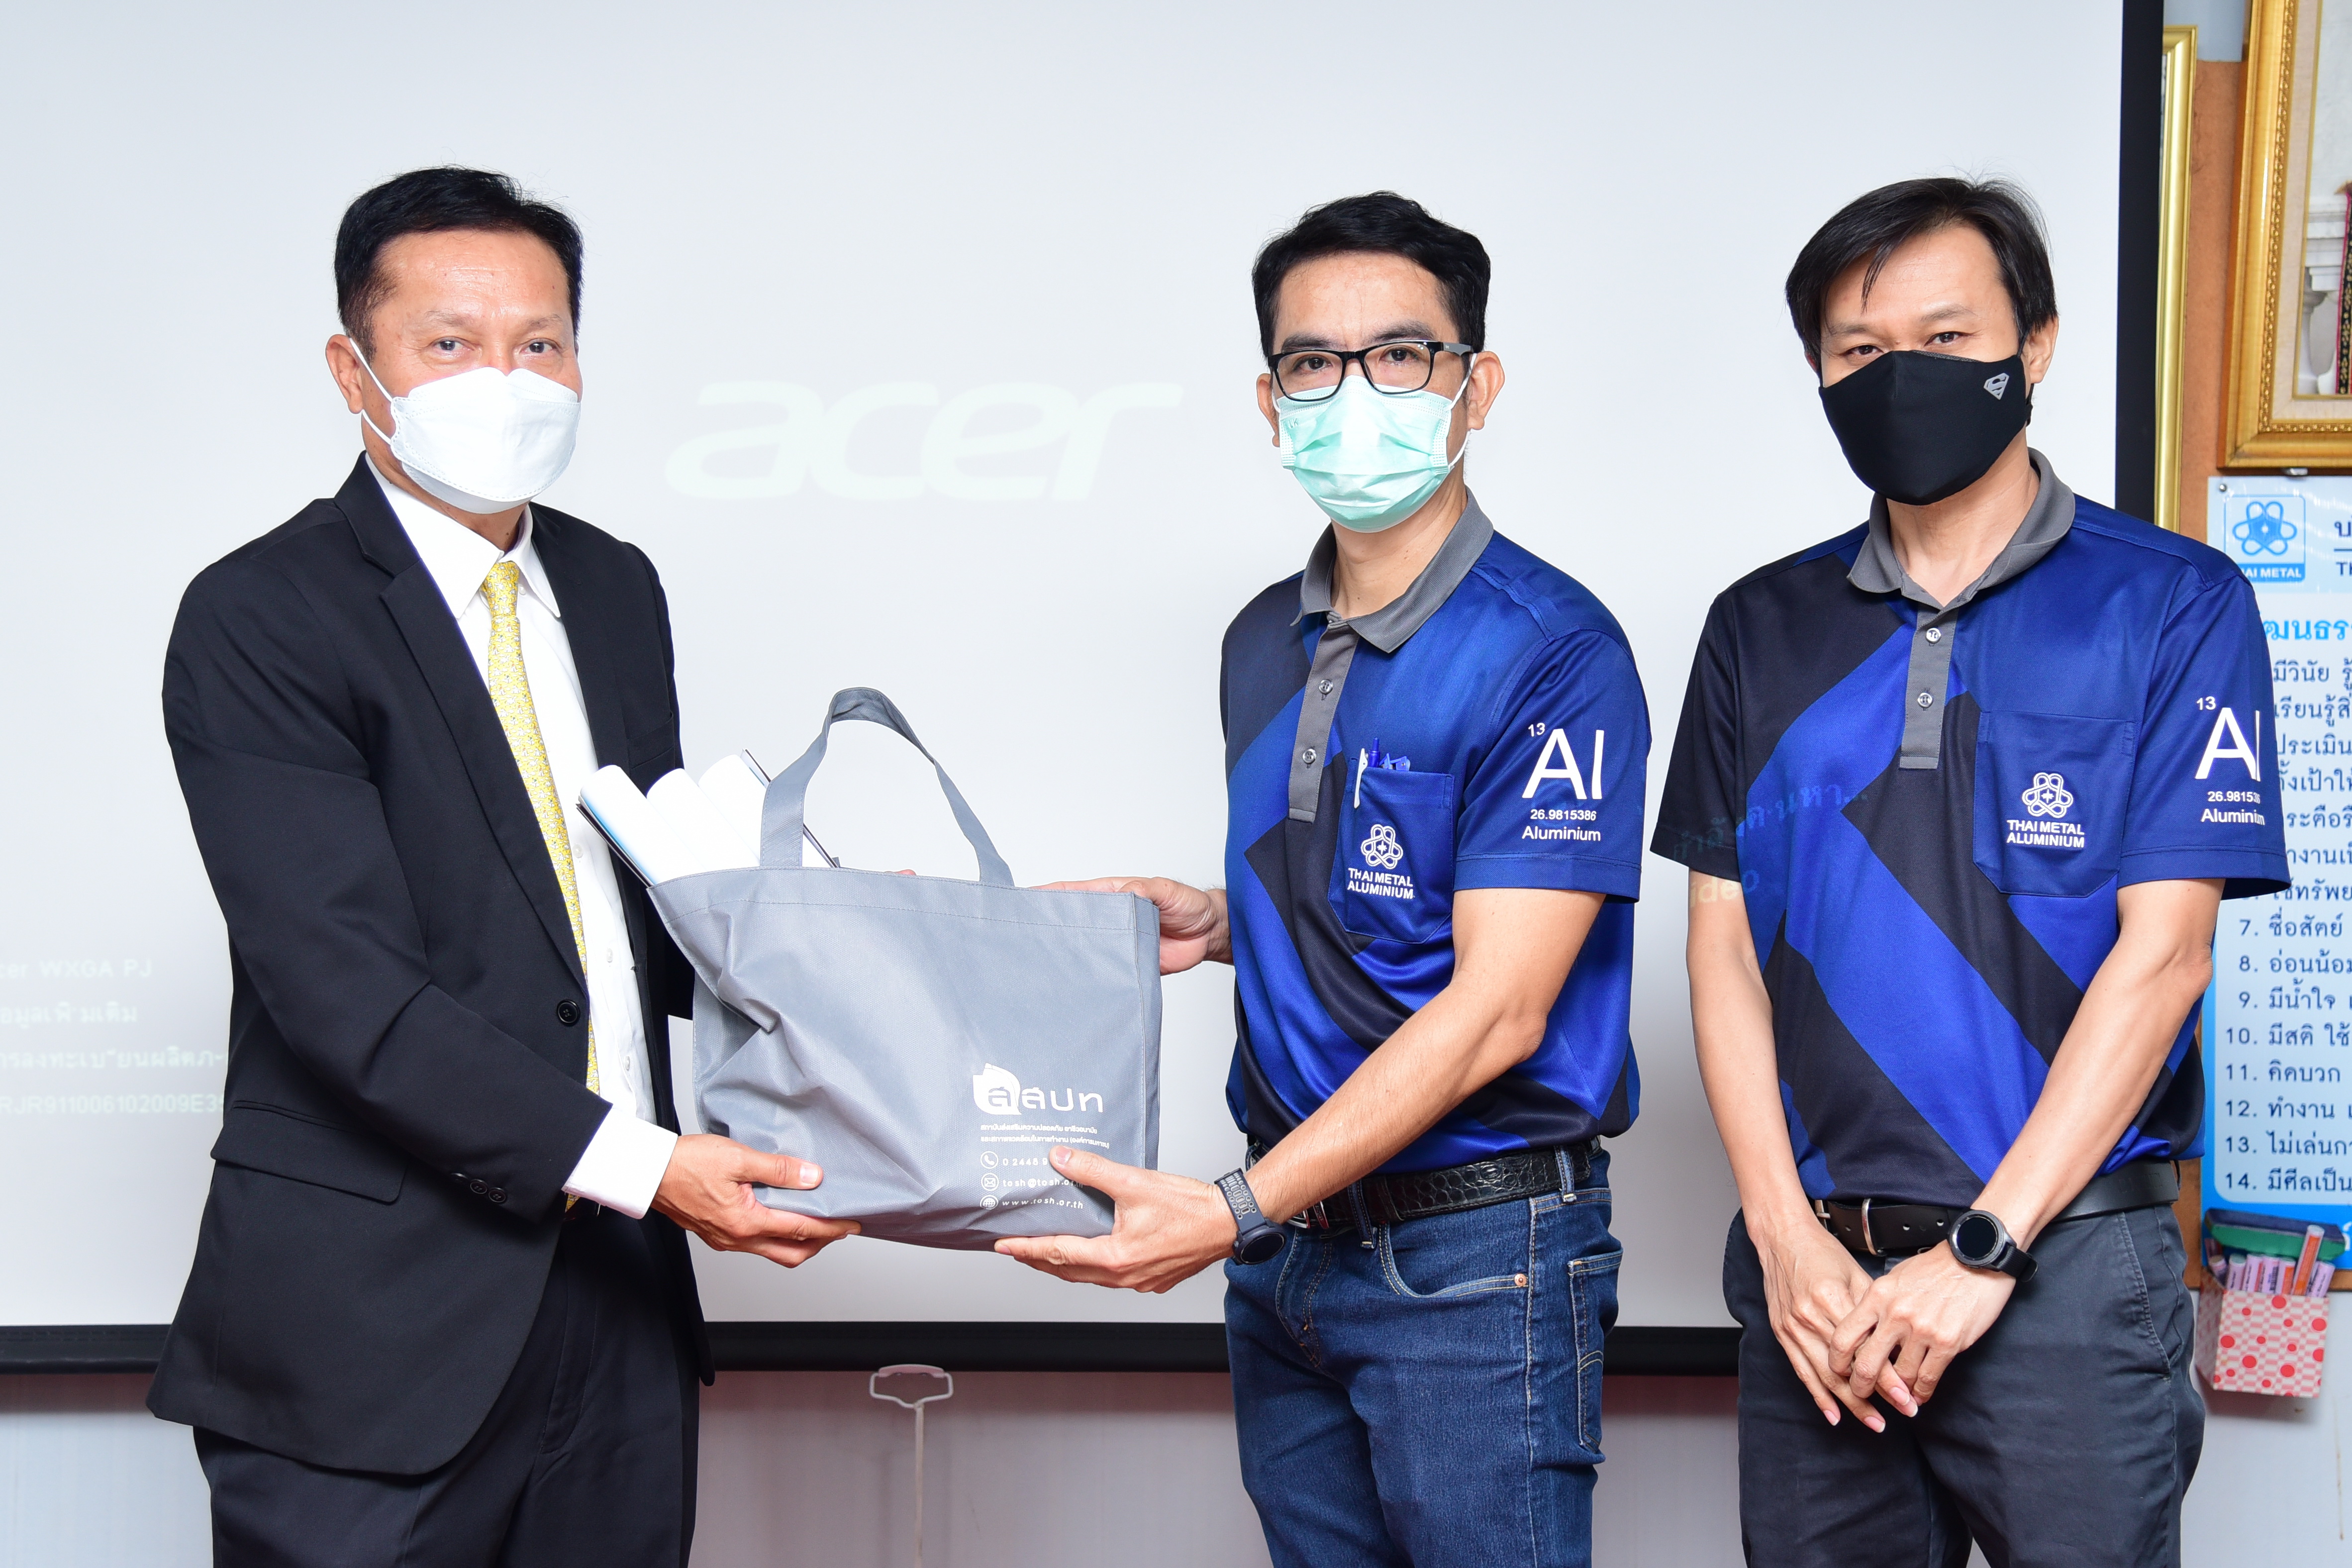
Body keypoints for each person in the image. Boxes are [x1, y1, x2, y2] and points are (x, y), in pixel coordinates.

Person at [148, 166, 856, 1568]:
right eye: (450, 343)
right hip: (373, 1324)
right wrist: (649, 1167)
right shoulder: (261, 614)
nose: (508, 381)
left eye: (541, 343)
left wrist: (924, 960)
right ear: (354, 370)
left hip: (619, 1303)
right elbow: (343, 992)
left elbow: (637, 920)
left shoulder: (613, 584)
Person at [997, 192, 1651, 1568]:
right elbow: (1395, 894)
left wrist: (1234, 1208)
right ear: (1269, 399)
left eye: (1400, 356)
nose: (1355, 393)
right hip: (1292, 1256)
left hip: (1473, 1259)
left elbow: (1501, 1007)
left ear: (1478, 385)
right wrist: (1229, 922)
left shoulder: (1555, 652)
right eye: (1313, 363)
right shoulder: (1262, 639)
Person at [1652, 177, 2288, 1568]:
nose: (1903, 377)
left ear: (2034, 344)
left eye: (1947, 338)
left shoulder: (2175, 603)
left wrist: (1985, 1251)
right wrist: (1785, 1241)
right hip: (1818, 1282)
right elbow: (1721, 950)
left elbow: (2167, 957)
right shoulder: (1758, 626)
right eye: (1860, 350)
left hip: (2064, 1272)